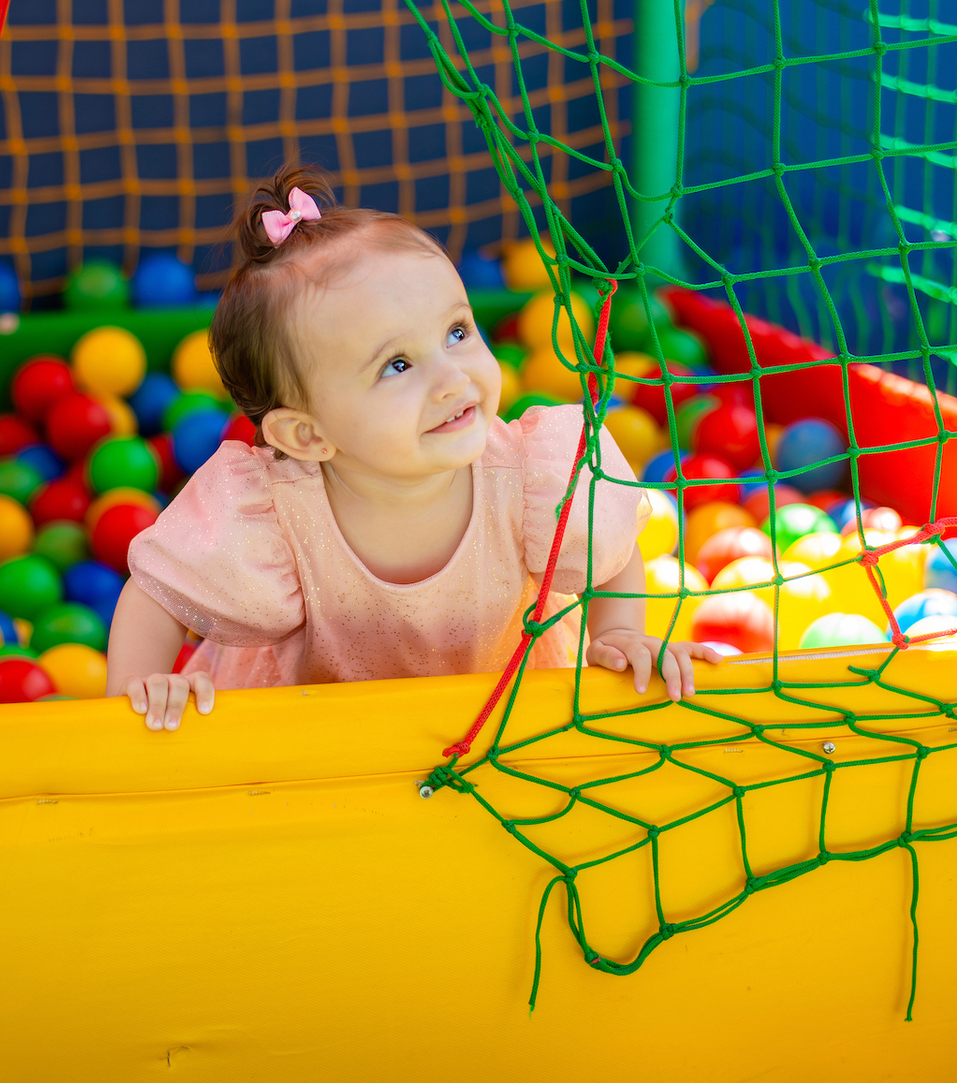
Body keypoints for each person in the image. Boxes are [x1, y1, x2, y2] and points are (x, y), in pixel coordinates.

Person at [106, 164, 717, 731]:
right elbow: (156, 592)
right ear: (307, 435)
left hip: (499, 723)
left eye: (456, 331)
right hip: (323, 740)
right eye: (397, 365)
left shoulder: (532, 474)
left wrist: (619, 633)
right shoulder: (269, 513)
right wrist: (135, 690)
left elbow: (610, 549)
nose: (453, 377)